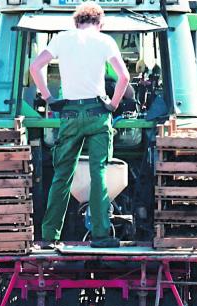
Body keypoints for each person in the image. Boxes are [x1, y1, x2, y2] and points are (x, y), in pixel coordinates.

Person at [28, 1, 130, 248]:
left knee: (62, 175)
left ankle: (50, 237)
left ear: (76, 22)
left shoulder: (63, 39)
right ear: (100, 23)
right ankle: (101, 235)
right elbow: (124, 77)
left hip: (70, 114)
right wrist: (113, 104)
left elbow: (35, 67)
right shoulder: (105, 41)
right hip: (97, 113)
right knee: (99, 173)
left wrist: (49, 98)